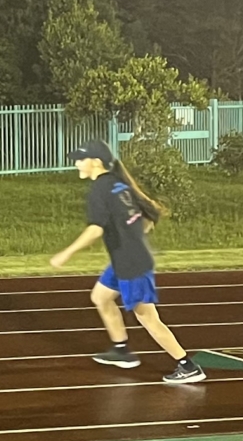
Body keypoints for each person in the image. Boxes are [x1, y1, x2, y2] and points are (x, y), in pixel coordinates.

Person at [49, 138, 206, 388]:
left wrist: (66, 253)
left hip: (132, 264)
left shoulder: (100, 189)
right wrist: (131, 237)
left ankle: (187, 366)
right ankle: (121, 350)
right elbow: (145, 218)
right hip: (126, 258)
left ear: (95, 162)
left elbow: (96, 229)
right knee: (101, 296)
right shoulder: (117, 183)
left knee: (148, 318)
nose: (77, 164)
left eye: (80, 159)